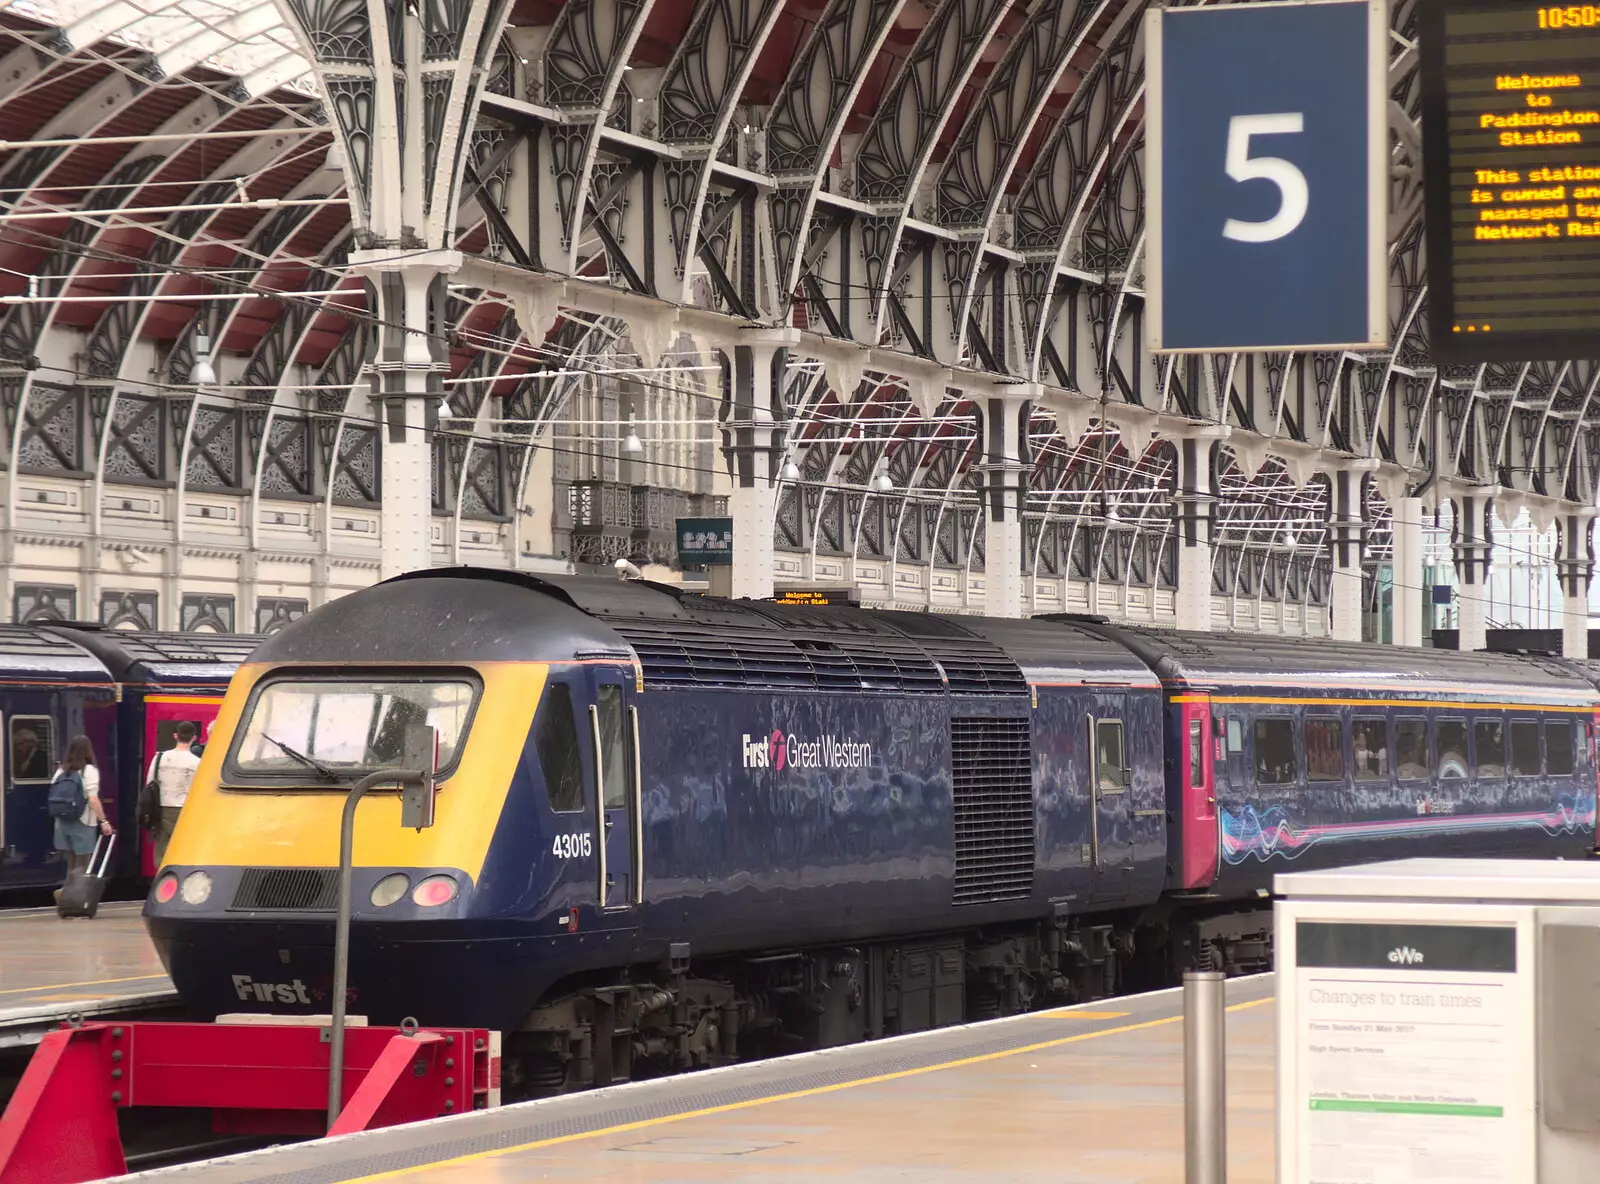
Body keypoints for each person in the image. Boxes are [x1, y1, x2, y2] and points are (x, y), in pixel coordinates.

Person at [52, 735, 112, 887]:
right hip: (83, 822)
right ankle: (76, 900)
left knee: (71, 864)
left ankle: (67, 895)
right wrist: (104, 821)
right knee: (82, 865)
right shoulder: (89, 771)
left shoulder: (61, 771)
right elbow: (93, 800)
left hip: (62, 823)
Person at [149, 722, 202, 867]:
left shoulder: (159, 757)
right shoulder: (196, 762)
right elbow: (196, 791)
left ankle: (160, 882)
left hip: (160, 809)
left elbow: (150, 783)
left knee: (161, 852)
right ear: (194, 738)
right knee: (183, 850)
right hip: (184, 810)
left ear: (175, 736)